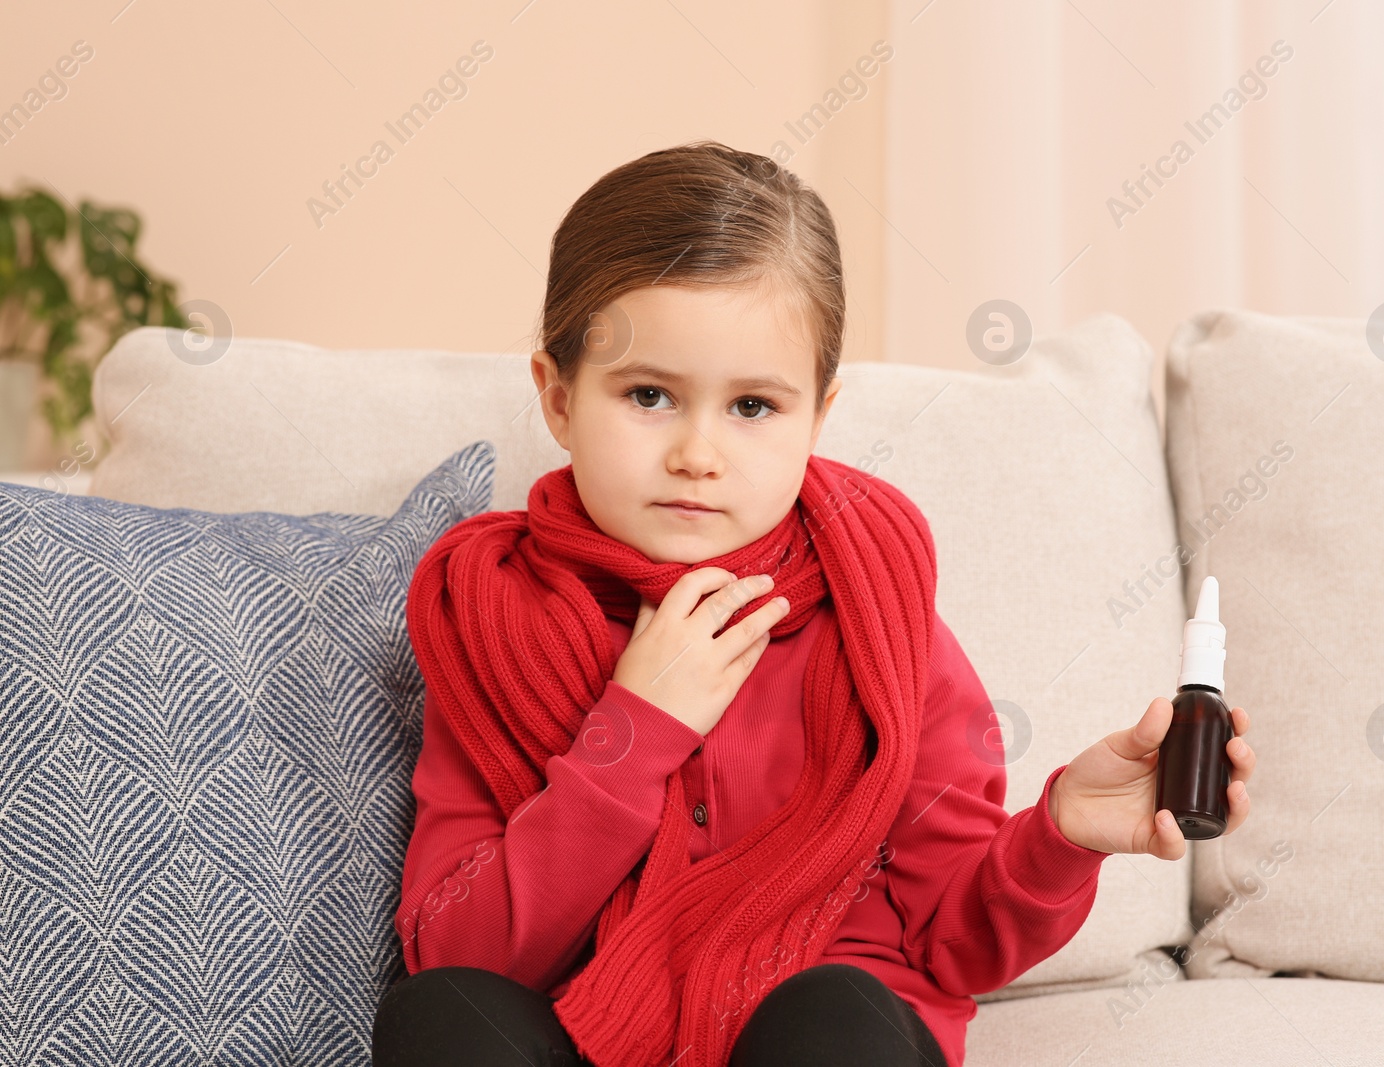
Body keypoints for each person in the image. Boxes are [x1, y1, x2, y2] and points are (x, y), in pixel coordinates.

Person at [372, 141, 1256, 1067]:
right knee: (443, 1016)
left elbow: (953, 941)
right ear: (557, 399)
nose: (698, 453)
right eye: (648, 396)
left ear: (818, 416)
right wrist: (634, 731)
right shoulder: (493, 618)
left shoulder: (875, 606)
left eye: (752, 406)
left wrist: (1061, 834)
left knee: (833, 1016)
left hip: (817, 1033)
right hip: (593, 1035)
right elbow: (462, 949)